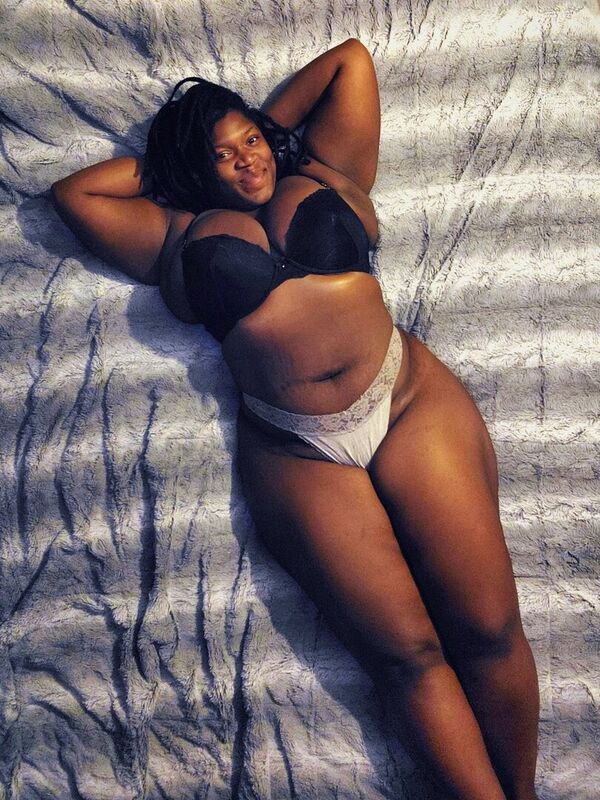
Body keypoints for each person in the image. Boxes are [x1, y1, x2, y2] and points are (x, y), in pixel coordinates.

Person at [51, 39, 540, 800]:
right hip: (297, 448)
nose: (246, 162)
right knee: (407, 657)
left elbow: (351, 62)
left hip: (406, 401)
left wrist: (262, 129)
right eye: (223, 157)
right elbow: (74, 194)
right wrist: (181, 160)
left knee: (488, 630)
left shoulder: (324, 170)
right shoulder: (174, 235)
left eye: (250, 142)